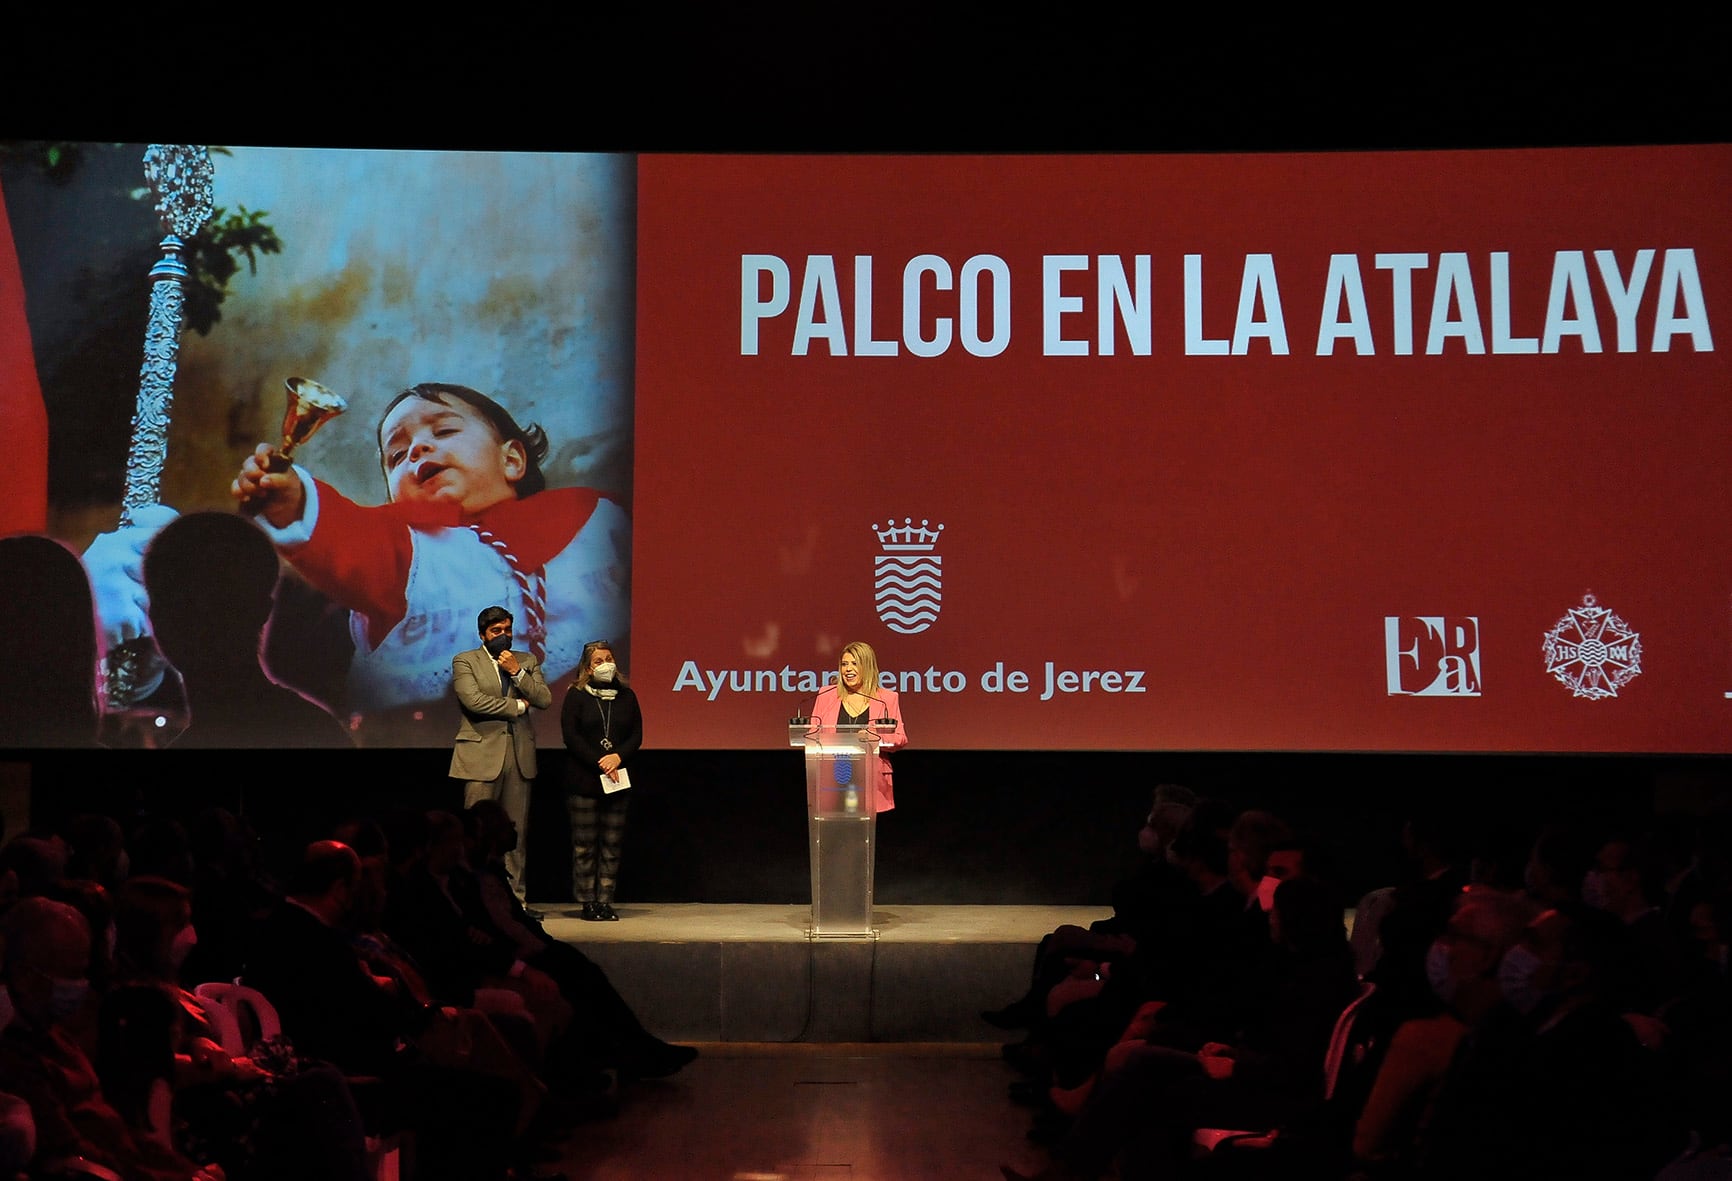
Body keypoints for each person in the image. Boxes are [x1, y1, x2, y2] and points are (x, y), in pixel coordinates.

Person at [231, 381, 630, 728]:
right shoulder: (403, 546)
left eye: (445, 430)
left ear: (511, 460)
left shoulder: (594, 514)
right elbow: (345, 540)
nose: (418, 448)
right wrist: (293, 501)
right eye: (397, 456)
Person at [141, 511, 353, 749]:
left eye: (217, 602)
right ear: (262, 610)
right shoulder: (316, 731)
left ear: (156, 619)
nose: (205, 618)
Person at [451, 605, 551, 904]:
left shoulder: (526, 660)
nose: (503, 636)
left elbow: (543, 698)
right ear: (483, 634)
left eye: (507, 630)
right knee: (476, 833)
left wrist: (517, 672)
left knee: (514, 834)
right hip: (480, 755)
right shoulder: (465, 660)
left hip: (519, 756)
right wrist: (518, 707)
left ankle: (515, 902)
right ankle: (473, 900)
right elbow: (473, 701)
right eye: (496, 631)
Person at [561, 639, 641, 921]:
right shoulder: (576, 696)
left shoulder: (627, 696)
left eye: (609, 659)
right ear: (587, 667)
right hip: (583, 780)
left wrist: (617, 757)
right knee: (584, 846)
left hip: (617, 780)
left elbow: (636, 735)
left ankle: (605, 900)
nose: (606, 665)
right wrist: (601, 761)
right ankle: (588, 902)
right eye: (599, 661)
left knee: (611, 845)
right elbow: (571, 737)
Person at [805, 641, 906, 813]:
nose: (848, 669)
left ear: (867, 667)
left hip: (871, 780)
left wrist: (874, 737)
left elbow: (900, 738)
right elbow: (812, 735)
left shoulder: (887, 699)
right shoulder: (827, 696)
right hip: (832, 780)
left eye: (854, 663)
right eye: (844, 664)